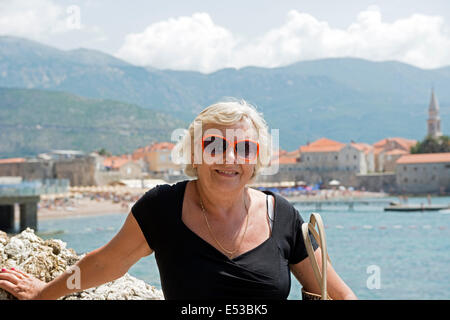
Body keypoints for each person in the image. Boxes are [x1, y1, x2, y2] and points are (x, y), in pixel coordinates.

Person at [0, 100, 356, 300]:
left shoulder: (284, 216)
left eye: (244, 148)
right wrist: (44, 293)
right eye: (214, 146)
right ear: (194, 153)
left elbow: (336, 293)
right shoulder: (161, 208)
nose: (230, 159)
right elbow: (107, 263)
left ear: (258, 158)